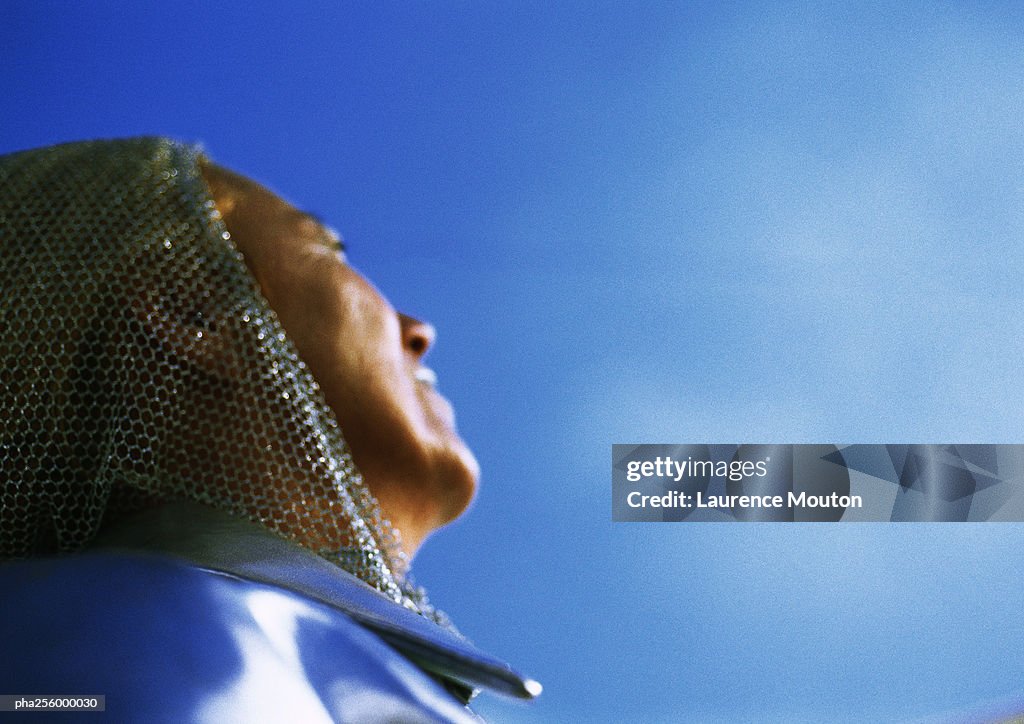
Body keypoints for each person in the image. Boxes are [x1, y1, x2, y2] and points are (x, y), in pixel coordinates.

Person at [0, 137, 539, 721]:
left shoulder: (81, 640)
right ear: (192, 311)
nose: (420, 329)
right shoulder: (161, 637)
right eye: (329, 250)